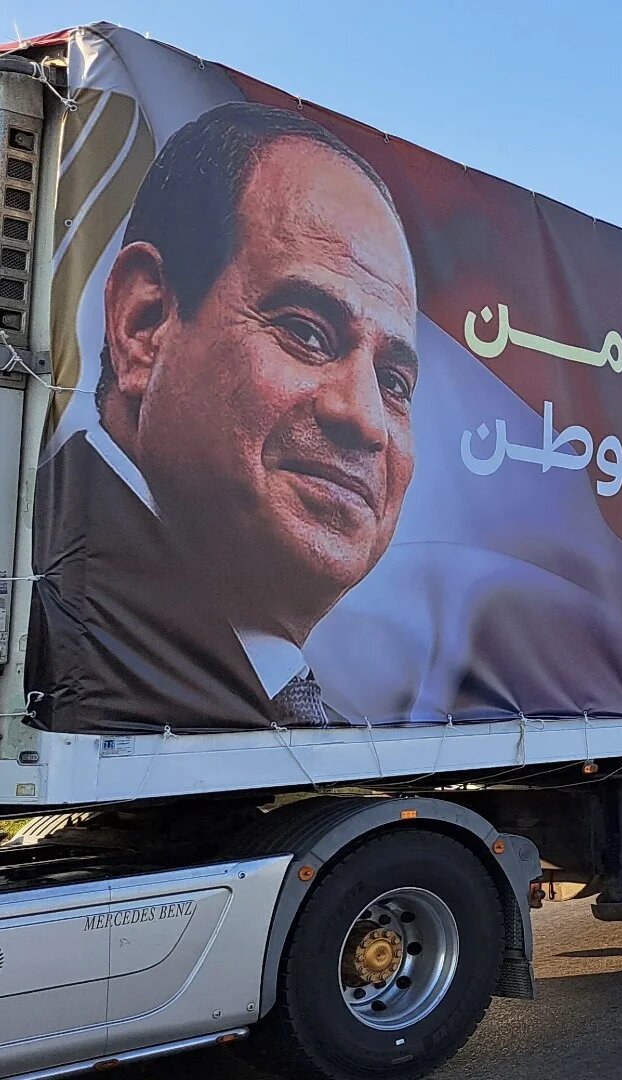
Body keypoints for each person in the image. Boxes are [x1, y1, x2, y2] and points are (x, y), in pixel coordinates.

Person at [30, 100, 418, 734]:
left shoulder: (256, 698)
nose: (367, 419)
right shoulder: (42, 617)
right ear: (144, 324)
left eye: (395, 382)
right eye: (307, 333)